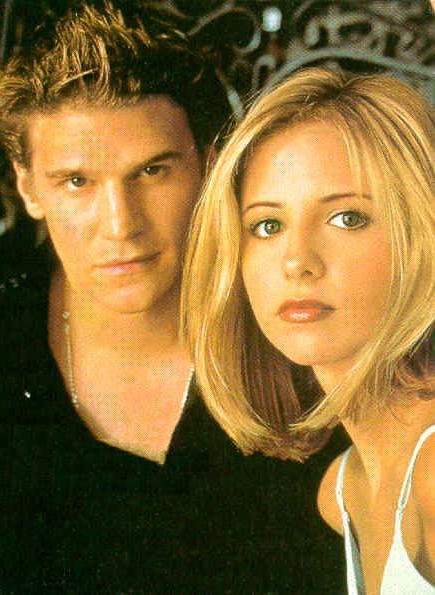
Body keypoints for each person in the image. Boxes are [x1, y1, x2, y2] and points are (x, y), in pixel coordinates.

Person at [0, 4, 345, 593]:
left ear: (208, 165)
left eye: (152, 171)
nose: (121, 224)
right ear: (28, 187)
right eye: (77, 182)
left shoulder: (306, 344)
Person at [182, 66, 434, 593]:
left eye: (347, 218)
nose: (297, 261)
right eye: (267, 226)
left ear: (422, 236)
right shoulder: (341, 493)